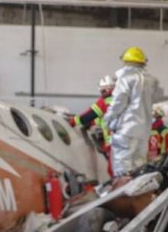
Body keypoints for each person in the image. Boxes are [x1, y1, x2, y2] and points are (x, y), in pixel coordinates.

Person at [103, 47, 160, 180]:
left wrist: (107, 119)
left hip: (126, 129)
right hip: (144, 131)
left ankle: (125, 197)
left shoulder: (126, 79)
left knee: (122, 168)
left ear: (126, 62)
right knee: (139, 168)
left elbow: (118, 102)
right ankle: (138, 197)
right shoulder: (152, 81)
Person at [68, 75, 116, 177]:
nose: (102, 93)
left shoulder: (105, 101)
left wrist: (73, 121)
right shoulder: (124, 100)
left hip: (114, 143)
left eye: (103, 91)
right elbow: (105, 118)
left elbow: (89, 114)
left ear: (109, 89)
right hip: (128, 142)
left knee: (114, 171)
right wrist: (92, 123)